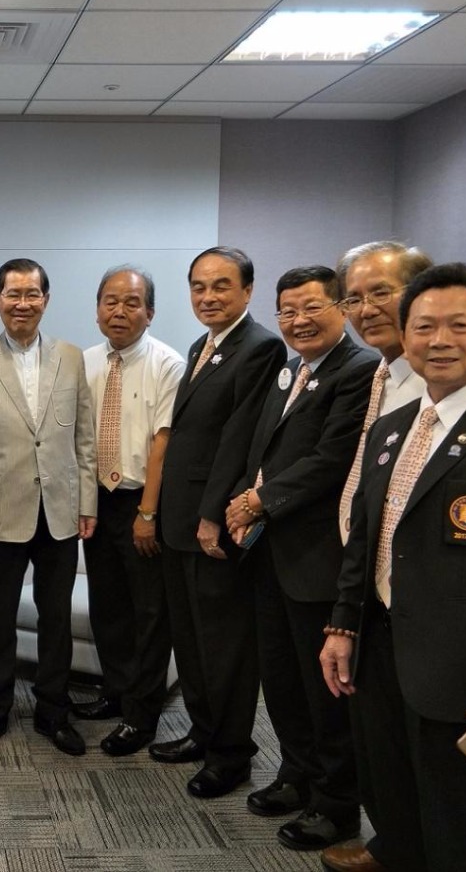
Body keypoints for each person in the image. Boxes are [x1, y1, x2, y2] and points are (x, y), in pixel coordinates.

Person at [320, 264, 466, 872]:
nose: (439, 340)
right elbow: (367, 539)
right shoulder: (391, 428)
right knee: (392, 795)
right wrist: (342, 625)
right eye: (423, 327)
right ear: (406, 335)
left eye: (459, 326)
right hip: (380, 652)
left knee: (464, 823)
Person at [223, 265, 377, 851]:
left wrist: (257, 500)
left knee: (323, 689)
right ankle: (296, 775)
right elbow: (263, 452)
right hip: (271, 553)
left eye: (312, 307)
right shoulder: (292, 369)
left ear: (341, 308)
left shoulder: (358, 371)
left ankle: (336, 805)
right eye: (287, 310)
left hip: (317, 557)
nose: (298, 320)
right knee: (282, 678)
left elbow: (332, 458)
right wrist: (247, 500)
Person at [154, 247, 286, 798]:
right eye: (199, 286)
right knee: (190, 640)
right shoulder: (203, 345)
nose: (207, 297)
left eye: (221, 286)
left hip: (212, 524)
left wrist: (211, 516)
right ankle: (203, 733)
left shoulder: (260, 348)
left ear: (248, 291)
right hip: (179, 519)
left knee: (224, 646)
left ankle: (231, 754)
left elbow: (238, 440)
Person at [0, 258, 98, 758]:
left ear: (46, 299)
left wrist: (87, 502)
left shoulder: (71, 358)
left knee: (55, 617)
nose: (22, 303)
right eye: (12, 294)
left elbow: (84, 439)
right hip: (0, 514)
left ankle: (53, 710)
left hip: (60, 511)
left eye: (31, 294)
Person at [75, 265, 184, 757]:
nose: (119, 311)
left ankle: (141, 716)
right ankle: (116, 693)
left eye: (132, 302)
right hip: (97, 502)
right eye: (110, 301)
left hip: (143, 501)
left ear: (150, 312)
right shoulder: (84, 362)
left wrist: (148, 513)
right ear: (97, 310)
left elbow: (164, 442)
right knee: (109, 607)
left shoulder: (168, 363)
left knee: (148, 614)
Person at [335, 241, 433, 543]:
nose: (366, 310)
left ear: (421, 294)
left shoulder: (438, 387)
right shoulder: (375, 376)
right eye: (353, 299)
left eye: (381, 293)